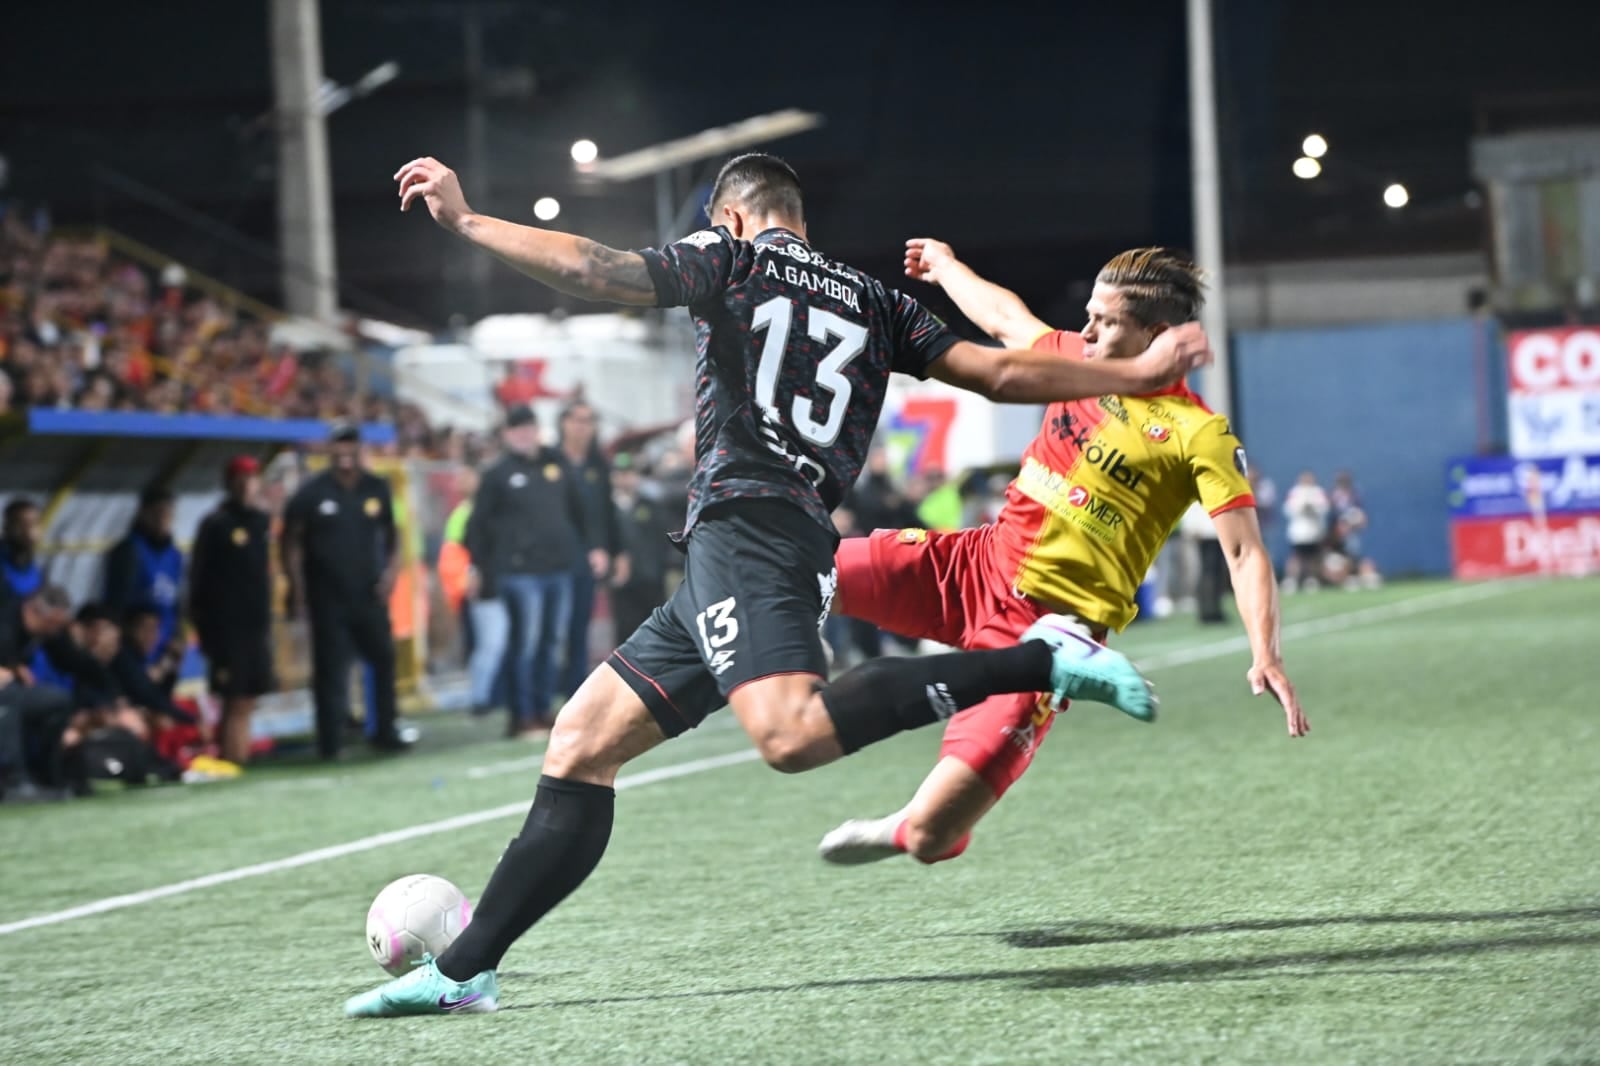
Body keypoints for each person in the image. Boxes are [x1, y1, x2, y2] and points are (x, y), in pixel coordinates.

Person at [344, 151, 1208, 1018]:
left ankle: (1038, 660)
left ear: (730, 218)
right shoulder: (877, 300)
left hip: (750, 532)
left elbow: (596, 268)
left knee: (790, 736)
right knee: (581, 742)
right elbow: (1001, 372)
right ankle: (465, 973)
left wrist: (465, 221)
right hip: (747, 543)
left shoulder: (733, 259)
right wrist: (1134, 375)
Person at [817, 240, 1308, 866]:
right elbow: (1004, 319)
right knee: (804, 573)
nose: (1087, 328)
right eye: (1090, 314)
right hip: (971, 566)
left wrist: (1265, 652)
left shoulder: (1199, 433)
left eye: (1106, 321)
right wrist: (945, 268)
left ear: (1158, 334)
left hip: (1047, 645)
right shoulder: (1074, 361)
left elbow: (1244, 554)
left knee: (929, 839)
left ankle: (905, 825)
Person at [281, 424, 410, 759]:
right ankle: (330, 740)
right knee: (331, 670)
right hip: (327, 596)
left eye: (350, 444)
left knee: (383, 659)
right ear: (330, 449)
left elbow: (393, 536)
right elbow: (291, 541)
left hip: (369, 593)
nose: (345, 451)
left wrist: (391, 573)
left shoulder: (376, 487)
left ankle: (385, 730)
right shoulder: (311, 492)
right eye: (339, 444)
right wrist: (296, 586)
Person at [464, 405, 590, 738]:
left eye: (528, 427)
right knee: (526, 644)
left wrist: (587, 547)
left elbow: (577, 508)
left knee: (552, 643)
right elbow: (476, 527)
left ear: (536, 428)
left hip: (559, 568)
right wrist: (480, 567)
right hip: (518, 573)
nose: (523, 435)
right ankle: (522, 714)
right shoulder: (497, 473)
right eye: (515, 429)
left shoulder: (556, 462)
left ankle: (543, 708)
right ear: (506, 434)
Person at [188, 456, 274, 766]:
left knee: (248, 697)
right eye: (239, 479)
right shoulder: (216, 524)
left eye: (250, 478)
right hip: (227, 628)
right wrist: (205, 629)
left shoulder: (262, 521)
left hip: (256, 625)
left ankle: (240, 755)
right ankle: (232, 758)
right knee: (233, 698)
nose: (245, 485)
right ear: (229, 483)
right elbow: (199, 579)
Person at [555, 400, 625, 699]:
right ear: (563, 424)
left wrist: (617, 551)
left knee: (581, 626)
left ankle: (575, 689)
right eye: (576, 420)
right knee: (552, 630)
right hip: (554, 559)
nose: (582, 427)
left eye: (588, 420)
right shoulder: (551, 461)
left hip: (589, 560)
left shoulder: (598, 464)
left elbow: (608, 512)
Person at [102, 486, 184, 656]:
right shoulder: (129, 550)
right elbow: (116, 601)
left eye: (169, 513)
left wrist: (177, 636)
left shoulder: (174, 555)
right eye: (157, 513)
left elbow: (175, 600)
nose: (163, 519)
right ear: (143, 513)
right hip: (134, 646)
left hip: (163, 646)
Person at [608, 452, 672, 649]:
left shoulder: (650, 505)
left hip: (651, 579)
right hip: (623, 582)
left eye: (628, 473)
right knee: (625, 633)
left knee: (654, 633)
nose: (625, 478)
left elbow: (663, 538)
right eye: (620, 474)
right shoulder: (607, 508)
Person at [1283, 470, 1331, 592]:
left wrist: (1313, 508)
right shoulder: (1295, 492)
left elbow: (1324, 508)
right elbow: (1288, 509)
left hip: (1314, 530)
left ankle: (1312, 579)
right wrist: (1301, 507)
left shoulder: (1318, 492)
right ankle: (1292, 579)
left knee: (1314, 557)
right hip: (1299, 531)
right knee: (1297, 557)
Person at [1, 497, 43, 598]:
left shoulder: (33, 565)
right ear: (7, 527)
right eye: (22, 524)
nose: (29, 531)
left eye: (34, 523)